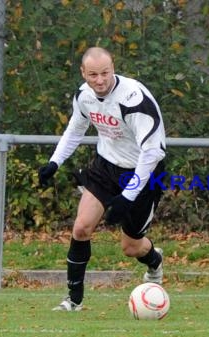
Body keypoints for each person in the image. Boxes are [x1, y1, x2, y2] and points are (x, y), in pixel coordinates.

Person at [38, 47, 166, 311]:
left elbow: (152, 152)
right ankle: (73, 300)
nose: (100, 80)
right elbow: (75, 128)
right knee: (81, 228)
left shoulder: (133, 99)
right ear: (83, 73)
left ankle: (154, 261)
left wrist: (127, 195)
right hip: (105, 167)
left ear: (113, 68)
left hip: (144, 172)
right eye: (93, 74)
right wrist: (55, 161)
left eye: (105, 73)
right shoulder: (84, 95)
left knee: (131, 247)